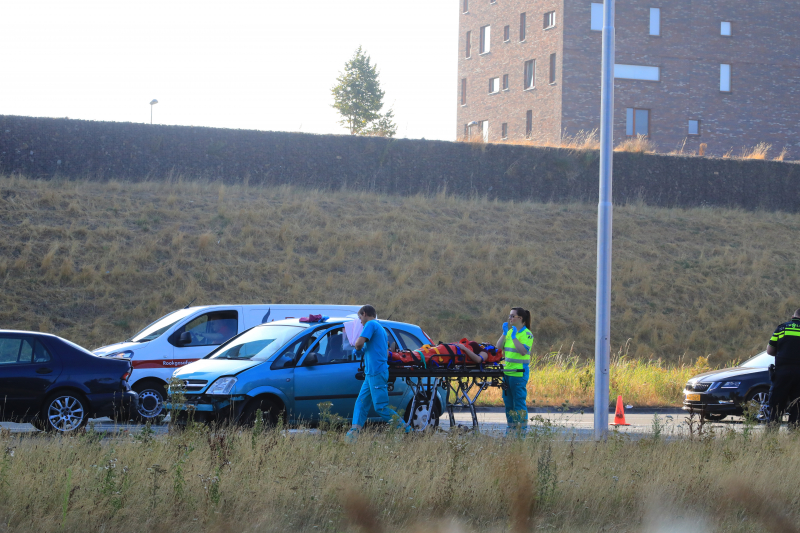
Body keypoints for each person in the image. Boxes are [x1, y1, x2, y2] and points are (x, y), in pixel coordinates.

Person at [345, 305, 410, 442]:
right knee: (361, 403)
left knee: (380, 407)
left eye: (360, 318)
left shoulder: (371, 324)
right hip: (371, 374)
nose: (360, 322)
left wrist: (356, 346)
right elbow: (371, 349)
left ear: (364, 314)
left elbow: (359, 344)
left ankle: (406, 430)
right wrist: (358, 351)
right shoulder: (379, 328)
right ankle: (353, 434)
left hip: (376, 373)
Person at [497, 308, 534, 436]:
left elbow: (523, 351)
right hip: (507, 372)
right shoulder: (510, 332)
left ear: (520, 318)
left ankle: (521, 432)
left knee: (518, 403)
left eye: (513, 316)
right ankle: (511, 430)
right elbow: (497, 348)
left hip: (519, 374)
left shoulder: (527, 334)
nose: (510, 318)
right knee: (508, 403)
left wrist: (513, 337)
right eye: (509, 316)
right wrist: (504, 334)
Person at [767, 309, 800, 425]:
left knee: (776, 405)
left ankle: (772, 434)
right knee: (798, 407)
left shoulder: (782, 328)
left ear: (793, 317)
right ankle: (793, 436)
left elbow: (770, 350)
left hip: (782, 373)